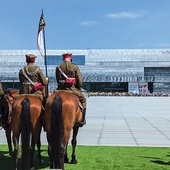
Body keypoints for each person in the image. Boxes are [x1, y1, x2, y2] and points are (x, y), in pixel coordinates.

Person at [55, 53, 86, 127]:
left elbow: (57, 80)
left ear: (63, 59)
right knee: (83, 100)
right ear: (70, 59)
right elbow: (80, 80)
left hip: (60, 90)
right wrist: (78, 88)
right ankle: (82, 119)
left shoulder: (58, 67)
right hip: (72, 90)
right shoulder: (74, 67)